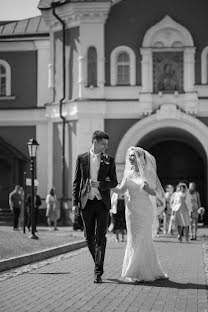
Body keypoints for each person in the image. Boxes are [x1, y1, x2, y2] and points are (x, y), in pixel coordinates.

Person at [112, 146, 167, 282]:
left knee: (143, 238)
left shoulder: (147, 174)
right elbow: (120, 191)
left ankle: (141, 271)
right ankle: (135, 270)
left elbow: (157, 193)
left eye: (132, 156)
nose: (130, 158)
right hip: (131, 211)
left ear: (139, 158)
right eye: (129, 156)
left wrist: (148, 188)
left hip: (144, 209)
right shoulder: (128, 174)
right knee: (134, 238)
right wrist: (108, 185)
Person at [72, 130, 118, 284]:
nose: (105, 147)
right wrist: (74, 204)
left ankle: (98, 271)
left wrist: (101, 185)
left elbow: (114, 182)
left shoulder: (109, 160)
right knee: (88, 237)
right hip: (86, 202)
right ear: (95, 142)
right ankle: (98, 262)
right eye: (103, 144)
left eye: (106, 144)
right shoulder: (81, 158)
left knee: (101, 237)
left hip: (102, 203)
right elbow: (76, 182)